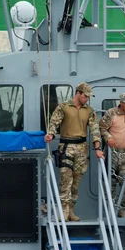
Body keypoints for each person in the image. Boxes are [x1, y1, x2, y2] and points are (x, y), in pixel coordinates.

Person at [44, 82, 102, 221]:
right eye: (85, 96)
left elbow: (95, 129)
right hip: (67, 147)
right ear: (78, 93)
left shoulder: (89, 110)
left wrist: (98, 148)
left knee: (76, 182)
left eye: (88, 97)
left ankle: (71, 210)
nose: (87, 99)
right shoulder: (64, 107)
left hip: (82, 148)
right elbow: (54, 122)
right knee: (66, 180)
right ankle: (63, 211)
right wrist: (50, 135)